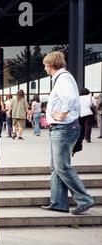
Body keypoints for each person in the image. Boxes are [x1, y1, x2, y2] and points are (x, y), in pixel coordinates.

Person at [41, 51, 95, 215]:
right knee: (56, 167)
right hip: (60, 128)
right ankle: (58, 202)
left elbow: (71, 98)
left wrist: (62, 113)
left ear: (50, 65)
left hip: (63, 128)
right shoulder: (61, 79)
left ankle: (85, 199)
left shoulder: (63, 79)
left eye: (45, 65)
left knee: (62, 166)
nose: (44, 68)